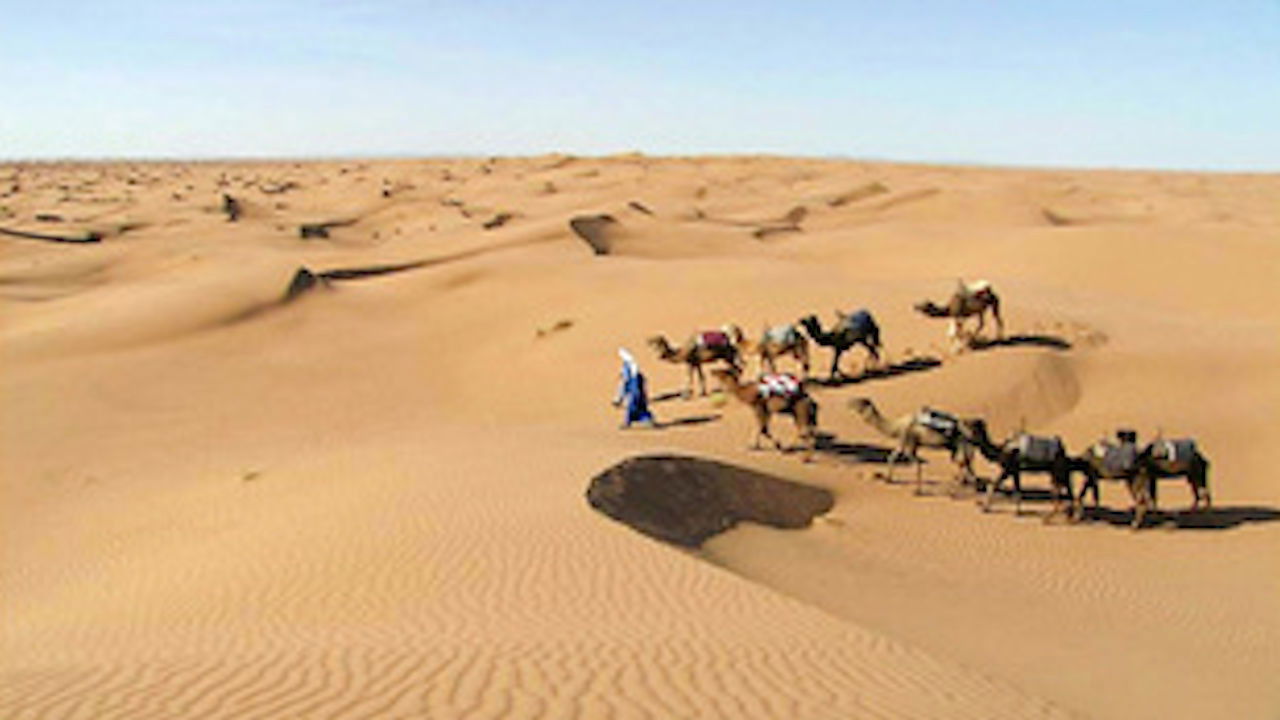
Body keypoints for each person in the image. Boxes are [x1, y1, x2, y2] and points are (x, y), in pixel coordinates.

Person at [613, 348, 656, 428]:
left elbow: (624, 384)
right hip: (637, 393)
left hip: (634, 393)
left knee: (632, 408)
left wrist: (619, 399)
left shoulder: (629, 370)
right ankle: (647, 421)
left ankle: (628, 423)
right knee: (640, 407)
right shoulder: (633, 370)